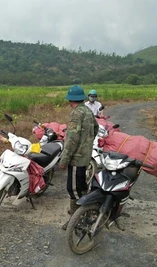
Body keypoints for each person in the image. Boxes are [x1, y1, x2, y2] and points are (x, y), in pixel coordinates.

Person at [59, 85, 99, 228]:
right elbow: (96, 127)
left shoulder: (76, 114)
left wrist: (64, 160)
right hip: (85, 156)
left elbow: (71, 139)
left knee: (73, 189)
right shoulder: (88, 111)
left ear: (71, 100)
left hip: (76, 158)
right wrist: (87, 142)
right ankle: (78, 216)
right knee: (80, 186)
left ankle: (78, 218)